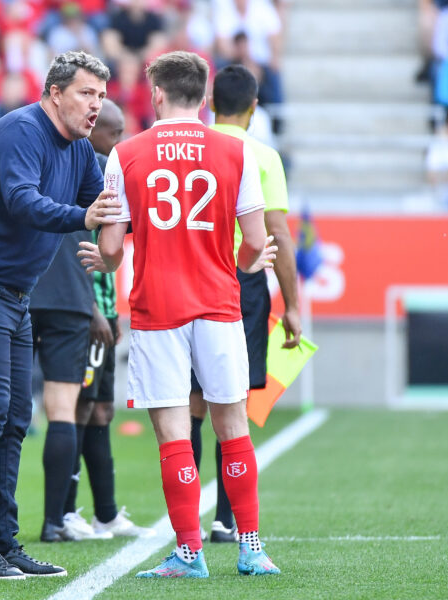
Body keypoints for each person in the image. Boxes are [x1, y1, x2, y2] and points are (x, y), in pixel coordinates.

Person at [0, 50, 120, 580]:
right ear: (55, 92)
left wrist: (122, 235)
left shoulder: (81, 149)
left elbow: (106, 207)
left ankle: (3, 541)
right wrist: (85, 217)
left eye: (101, 96)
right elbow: (22, 201)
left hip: (14, 293)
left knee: (16, 416)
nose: (95, 106)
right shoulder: (21, 130)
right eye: (87, 93)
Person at [92, 50, 279, 578]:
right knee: (233, 426)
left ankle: (190, 554)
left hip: (158, 309)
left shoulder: (126, 154)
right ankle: (250, 548)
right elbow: (254, 248)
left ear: (156, 94)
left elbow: (110, 249)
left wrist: (101, 262)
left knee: (175, 433)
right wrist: (244, 259)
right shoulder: (235, 151)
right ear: (205, 97)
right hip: (220, 305)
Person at [184, 64, 300, 545]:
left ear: (210, 104)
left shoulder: (192, 149)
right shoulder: (262, 155)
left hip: (191, 273)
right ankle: (225, 519)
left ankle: (186, 517)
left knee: (190, 402)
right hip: (243, 279)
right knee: (234, 402)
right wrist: (292, 305)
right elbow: (277, 234)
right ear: (254, 107)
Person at [67, 99, 155, 539]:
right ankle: (64, 513)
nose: (119, 142)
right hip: (84, 311)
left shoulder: (105, 174)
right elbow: (69, 250)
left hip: (103, 308)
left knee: (101, 409)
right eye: (114, 133)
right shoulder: (88, 172)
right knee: (79, 408)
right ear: (93, 129)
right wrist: (92, 310)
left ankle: (104, 513)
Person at [29, 197, 108, 542]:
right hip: (70, 296)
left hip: (22, 289)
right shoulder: (92, 167)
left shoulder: (26, 158)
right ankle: (52, 521)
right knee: (62, 410)